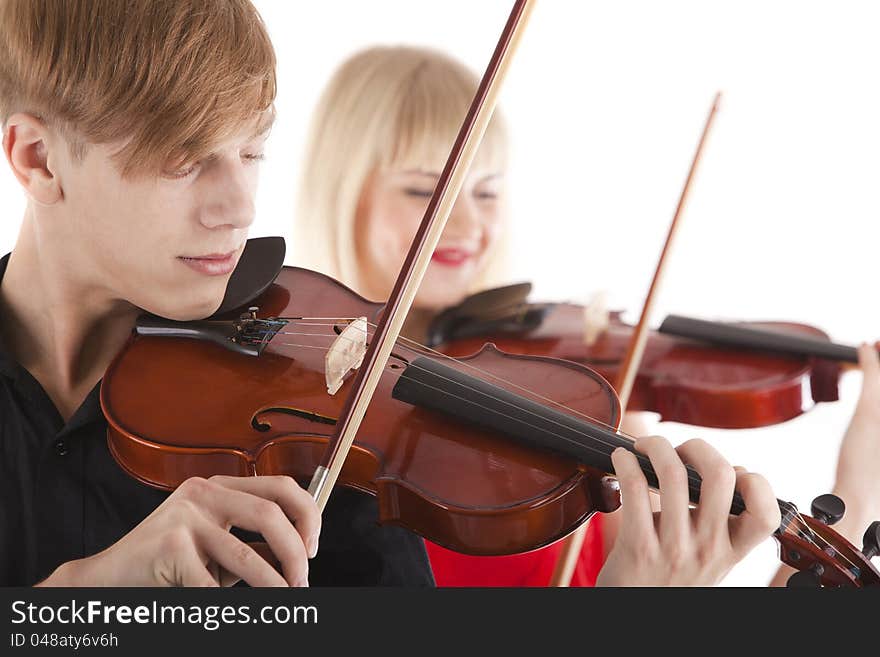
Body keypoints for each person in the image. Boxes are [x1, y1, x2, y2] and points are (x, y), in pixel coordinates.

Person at [293, 45, 880, 586]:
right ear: (343, 193)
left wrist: (858, 484)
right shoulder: (302, 430)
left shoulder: (572, 390)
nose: (470, 227)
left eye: (488, 192)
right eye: (426, 192)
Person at [0, 0, 434, 587]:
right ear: (39, 159)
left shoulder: (302, 424)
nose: (240, 210)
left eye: (252, 152)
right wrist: (81, 598)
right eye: (183, 161)